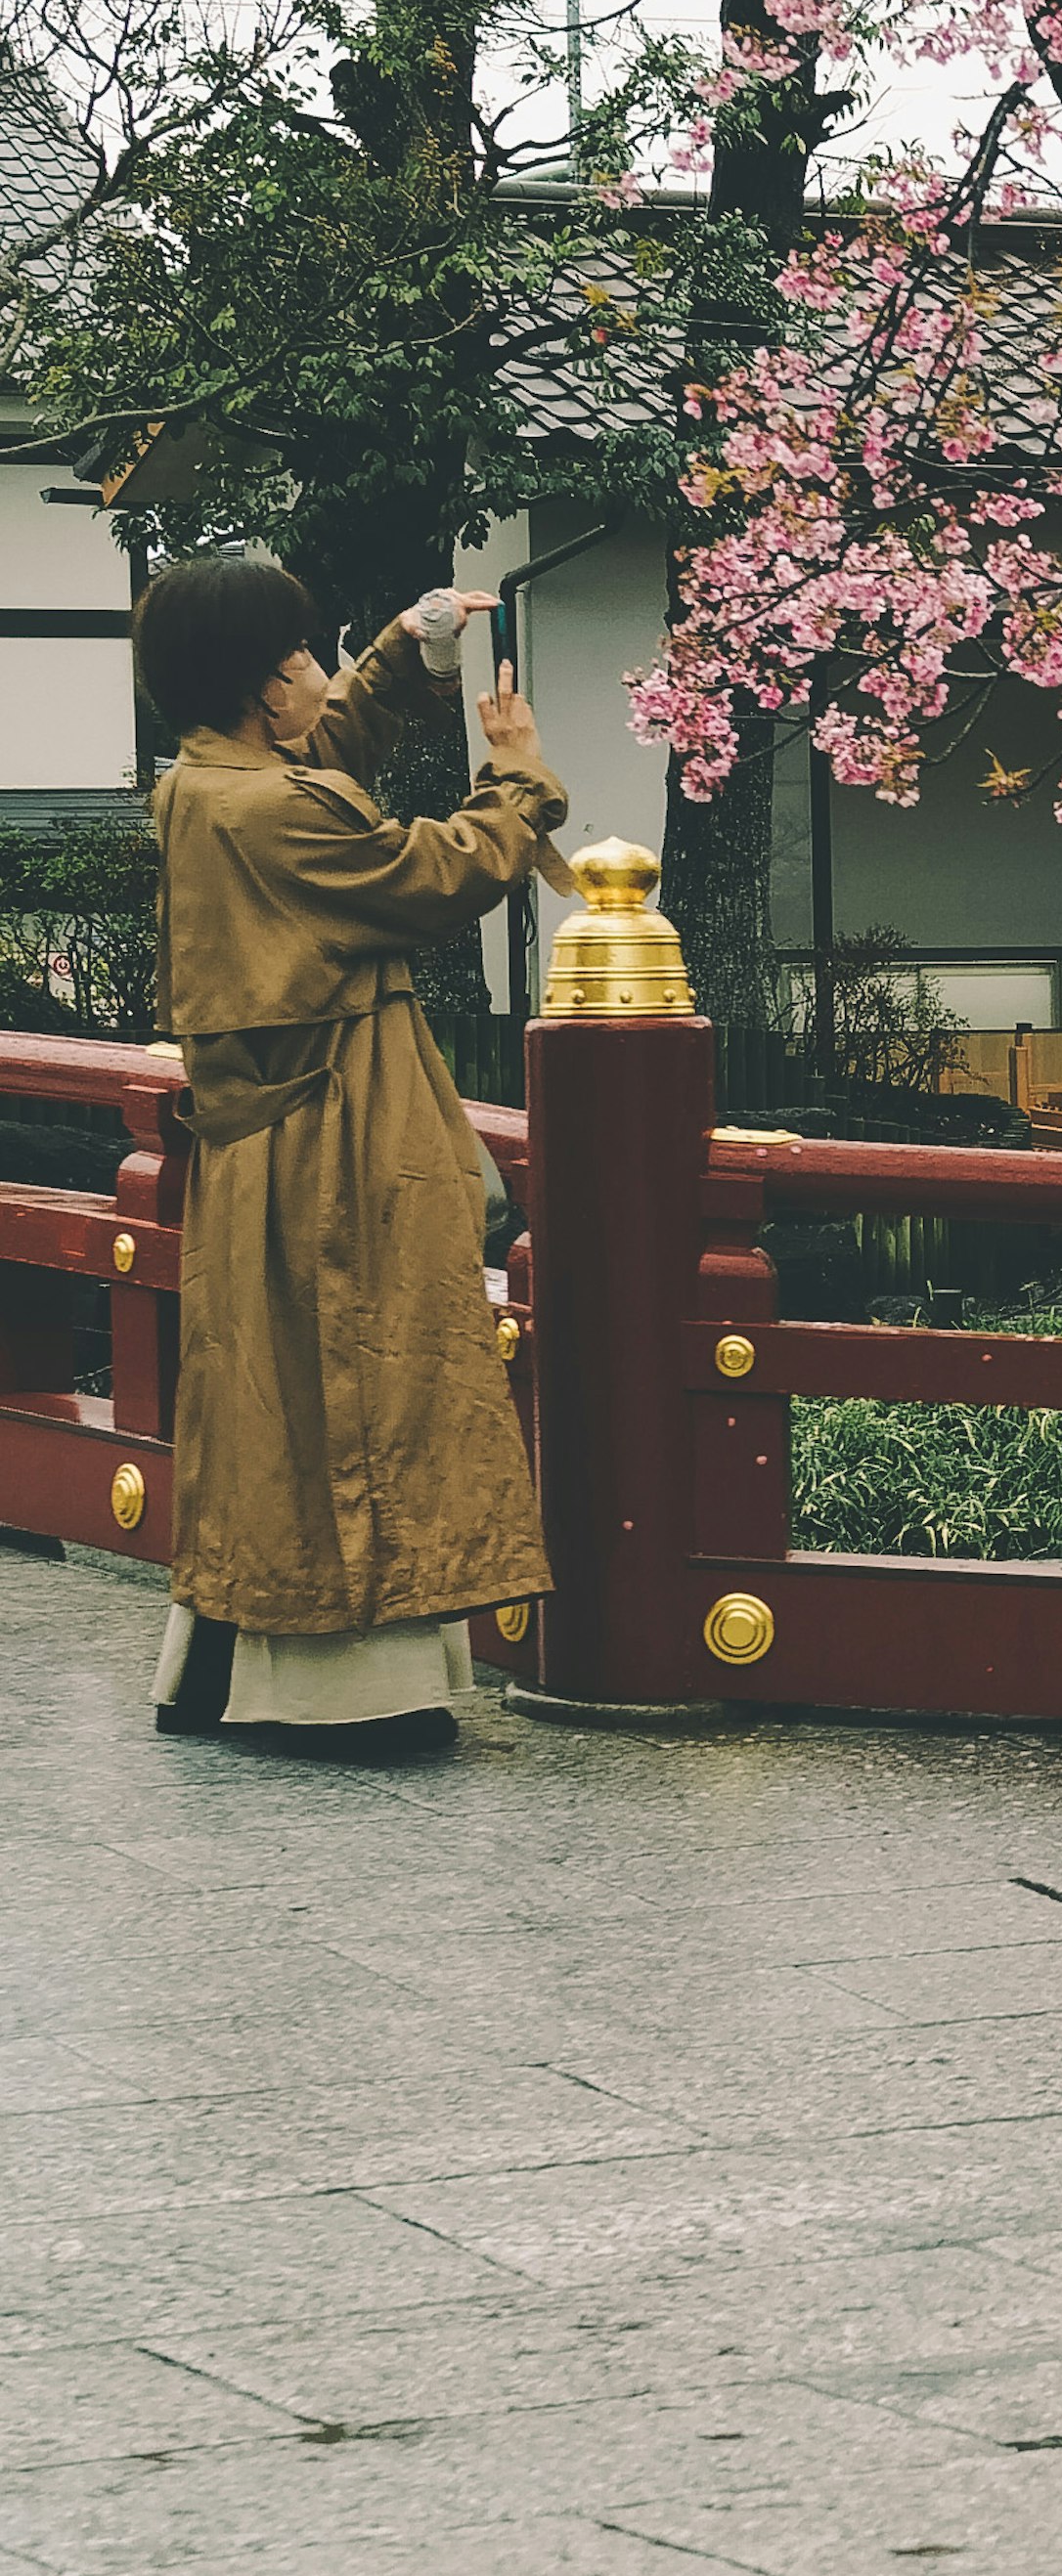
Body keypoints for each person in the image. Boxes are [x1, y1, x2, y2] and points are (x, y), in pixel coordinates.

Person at [137, 556, 577, 1759]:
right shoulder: (277, 810)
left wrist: (401, 652)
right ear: (266, 686)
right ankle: (356, 1692)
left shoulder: (199, 784)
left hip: (260, 1144)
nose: (320, 681)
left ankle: (227, 1667)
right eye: (308, 663)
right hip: (335, 1140)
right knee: (366, 1388)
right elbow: (436, 873)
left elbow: (321, 757)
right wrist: (518, 778)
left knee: (264, 1400)